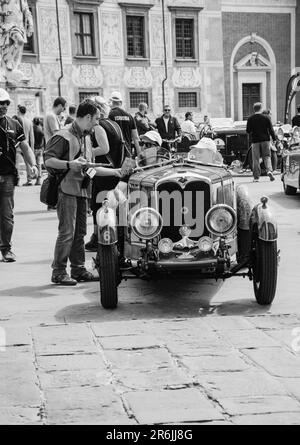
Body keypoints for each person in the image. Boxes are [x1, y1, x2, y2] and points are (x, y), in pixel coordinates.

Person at [44, 99, 122, 286]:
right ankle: (59, 272)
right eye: (95, 119)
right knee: (67, 233)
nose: (97, 123)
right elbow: (48, 161)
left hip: (82, 191)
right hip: (66, 191)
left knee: (80, 232)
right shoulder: (63, 136)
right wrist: (70, 164)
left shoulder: (86, 138)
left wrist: (115, 171)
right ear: (87, 117)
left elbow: (88, 169)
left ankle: (78, 269)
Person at [85, 96, 128, 252]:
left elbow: (104, 149)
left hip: (105, 170)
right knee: (115, 205)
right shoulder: (114, 123)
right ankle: (117, 236)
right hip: (116, 169)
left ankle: (98, 238)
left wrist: (86, 152)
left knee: (99, 205)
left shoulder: (98, 126)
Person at [0, 88, 38, 262]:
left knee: (7, 216)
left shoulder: (14, 124)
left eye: (6, 103)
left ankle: (6, 249)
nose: (4, 106)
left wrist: (33, 164)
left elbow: (25, 147)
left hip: (7, 177)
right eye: (0, 103)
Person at [0, 0, 33, 75]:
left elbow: (27, 12)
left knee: (20, 42)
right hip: (6, 25)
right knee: (7, 47)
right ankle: (8, 64)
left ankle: (9, 60)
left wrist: (31, 25)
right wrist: (3, 13)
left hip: (18, 26)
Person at [246, 102, 276, 182]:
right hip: (266, 140)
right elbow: (271, 130)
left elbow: (248, 131)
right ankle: (269, 170)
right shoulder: (266, 117)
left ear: (254, 109)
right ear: (261, 108)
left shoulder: (250, 118)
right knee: (267, 156)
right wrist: (274, 139)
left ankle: (256, 177)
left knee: (255, 159)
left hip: (255, 141)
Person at [108, 91, 141, 157]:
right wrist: (139, 154)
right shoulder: (129, 116)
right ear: (121, 102)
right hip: (127, 152)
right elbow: (135, 137)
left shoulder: (109, 115)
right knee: (126, 167)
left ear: (111, 102)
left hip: (113, 153)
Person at [16, 104, 35, 186]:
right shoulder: (29, 121)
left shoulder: (16, 120)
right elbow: (32, 136)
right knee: (27, 163)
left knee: (16, 163)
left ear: (19, 111)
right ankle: (29, 180)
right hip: (26, 144)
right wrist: (32, 148)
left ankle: (17, 179)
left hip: (18, 144)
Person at [32, 117, 45, 185]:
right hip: (40, 148)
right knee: (39, 164)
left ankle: (34, 177)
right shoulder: (41, 129)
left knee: (34, 164)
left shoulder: (33, 129)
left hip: (34, 148)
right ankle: (38, 180)